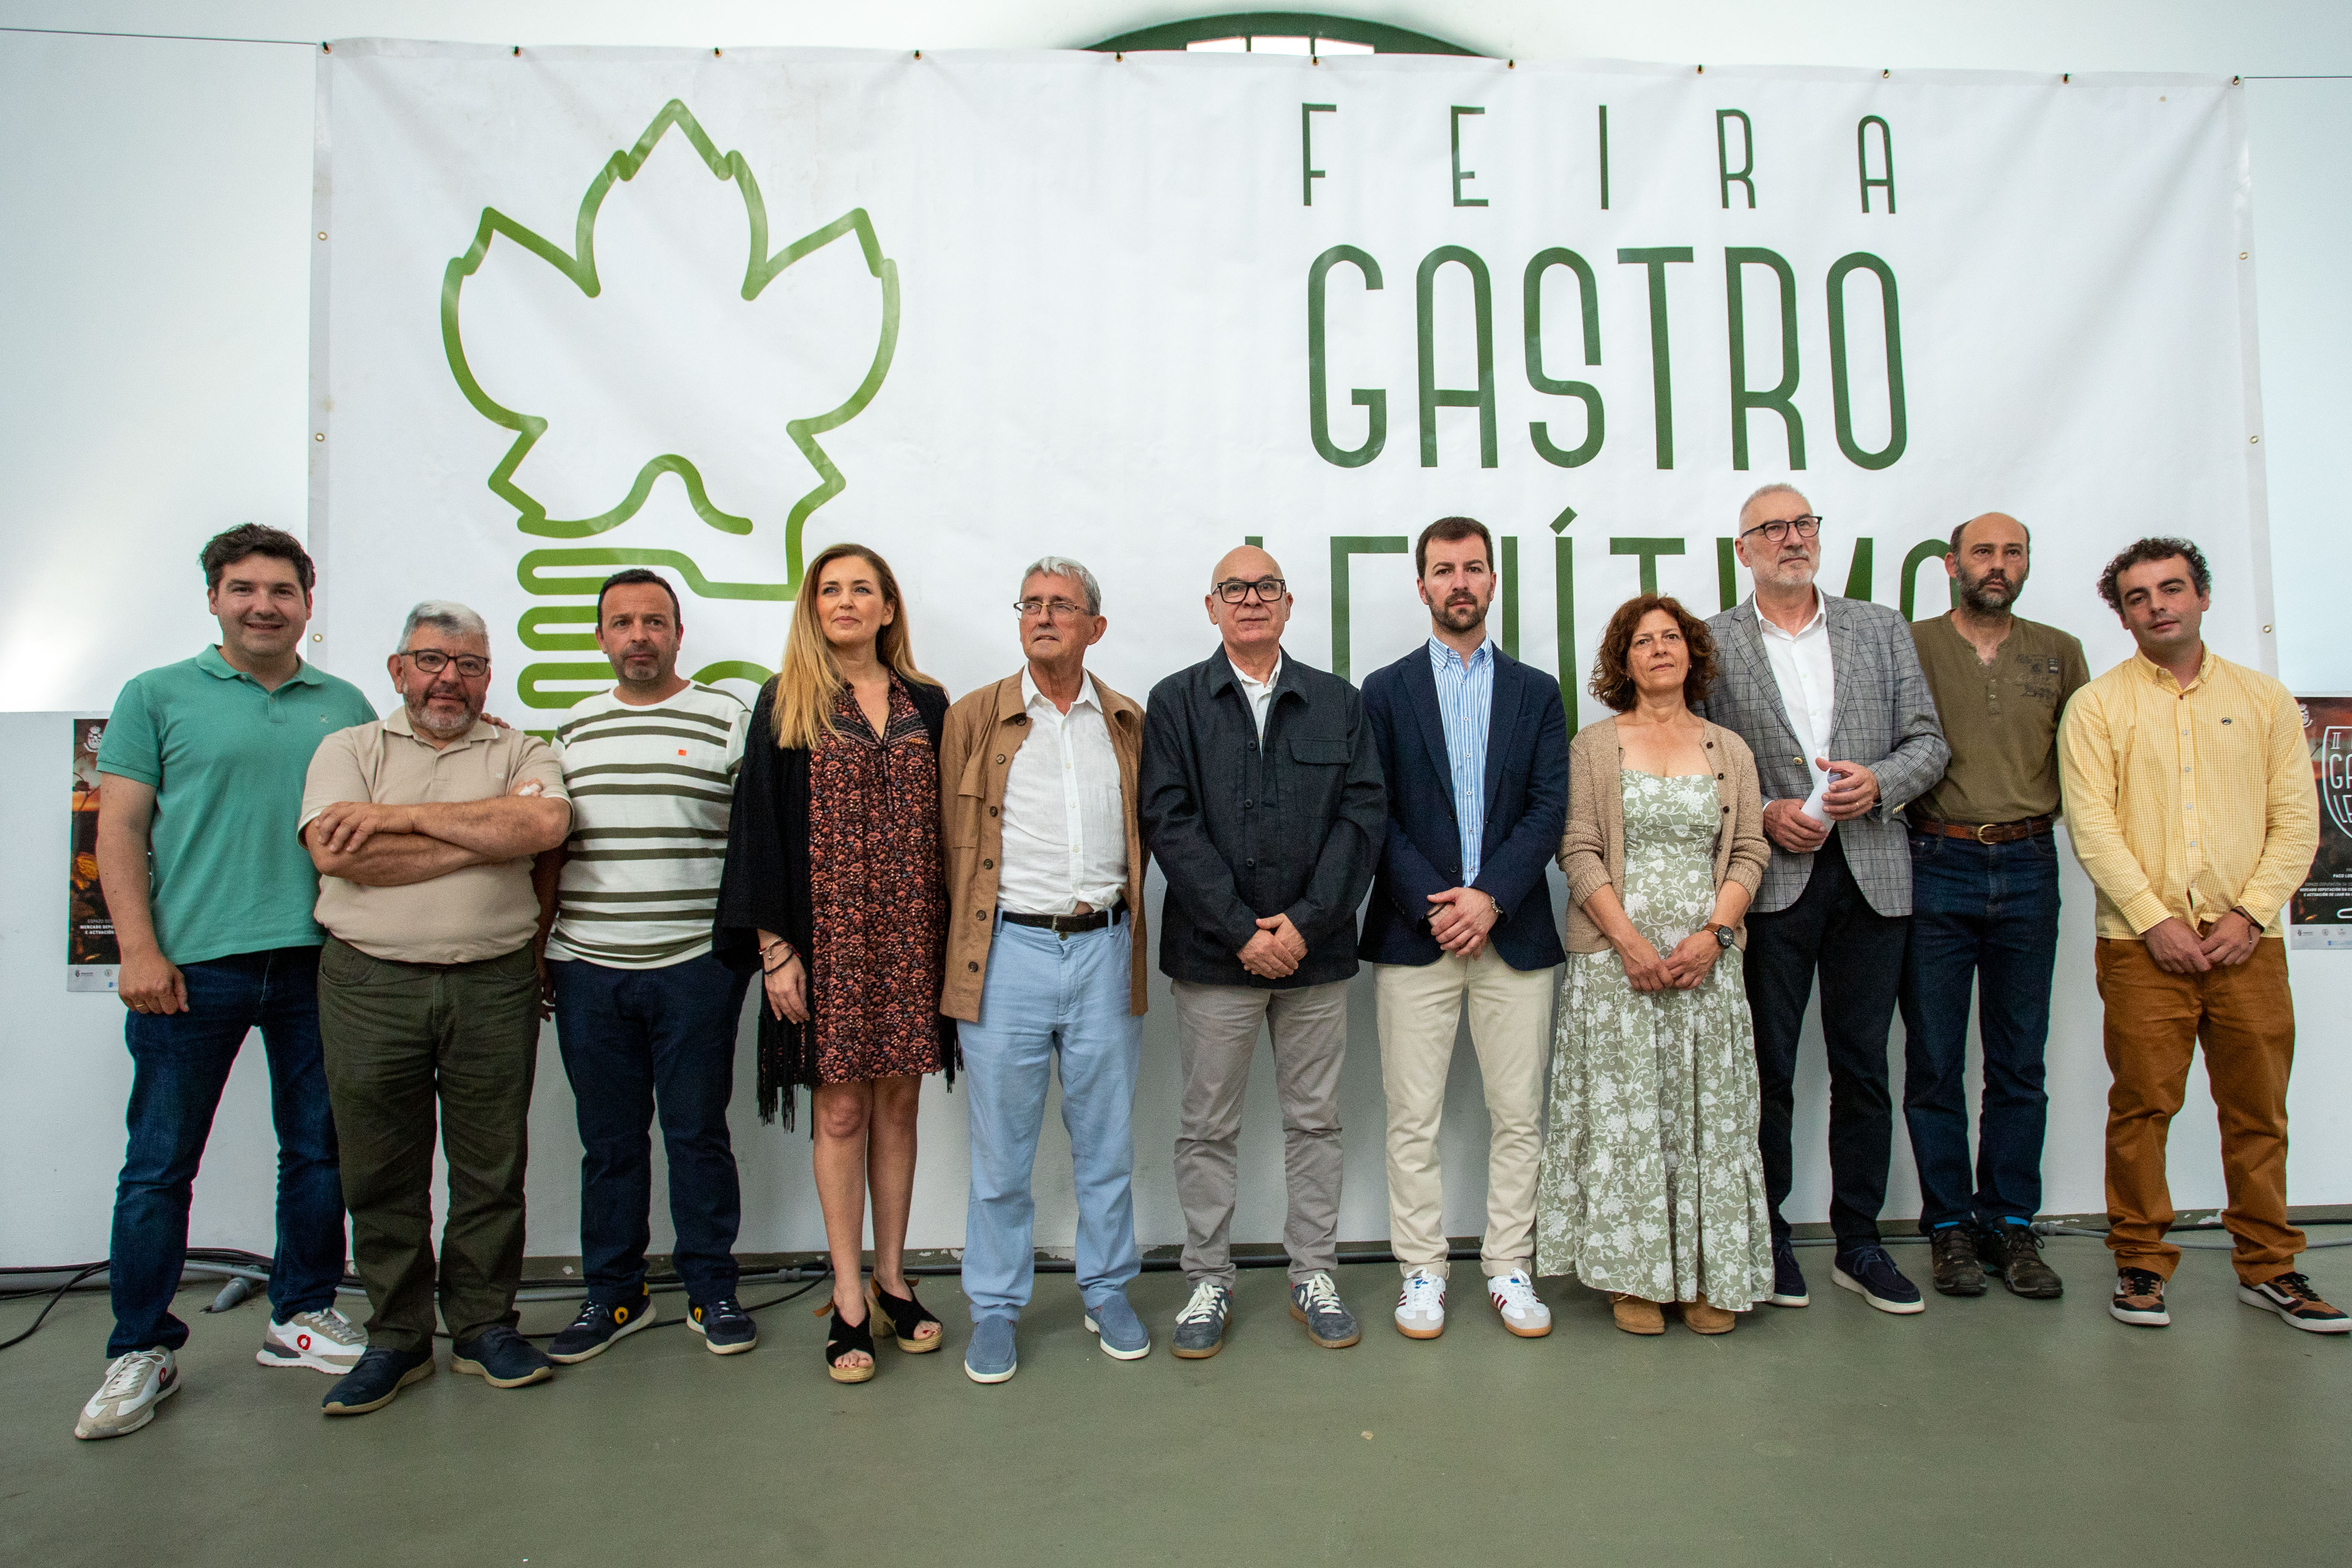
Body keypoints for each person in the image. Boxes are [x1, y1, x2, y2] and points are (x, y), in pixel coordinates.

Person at [74, 525, 378, 1442]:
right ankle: (140, 1347)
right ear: (214, 598)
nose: (263, 606)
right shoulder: (156, 695)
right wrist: (138, 950)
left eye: (282, 591)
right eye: (244, 588)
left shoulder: (346, 703)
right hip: (191, 968)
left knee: (318, 1151)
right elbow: (119, 831)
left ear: (307, 604)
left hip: (318, 961)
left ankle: (301, 1313)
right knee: (160, 1165)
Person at [2059, 538, 2340, 1333]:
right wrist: (2155, 920)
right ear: (2122, 616)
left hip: (2250, 944)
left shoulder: (2265, 701)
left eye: (2173, 589)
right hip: (2140, 946)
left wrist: (2251, 914)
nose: (2158, 606)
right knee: (2142, 1107)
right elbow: (2093, 828)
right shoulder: (2098, 707)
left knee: (2258, 1111)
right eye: (2139, 597)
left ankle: (2270, 1265)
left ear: (2203, 596)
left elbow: (2298, 822)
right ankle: (2141, 1262)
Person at [301, 602, 573, 1414]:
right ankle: (397, 1337)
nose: (449, 679)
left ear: (489, 676)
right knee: (379, 1169)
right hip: (369, 985)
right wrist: (486, 835)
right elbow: (338, 854)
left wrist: (395, 820)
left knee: (492, 1168)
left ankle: (484, 1325)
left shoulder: (523, 749)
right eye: (431, 661)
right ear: (399, 671)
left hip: (494, 983)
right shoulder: (349, 748)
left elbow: (544, 822)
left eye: (469, 665)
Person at [1695, 484, 1949, 1315]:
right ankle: (1765, 1238)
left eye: (1803, 524)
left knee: (1863, 1068)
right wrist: (1765, 811)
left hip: (1873, 876)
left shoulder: (1880, 628)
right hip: (1772, 882)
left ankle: (1860, 1243)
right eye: (1771, 529)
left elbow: (1929, 743)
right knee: (1766, 1071)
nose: (1791, 539)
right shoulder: (1712, 643)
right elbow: (1696, 760)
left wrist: (1881, 783)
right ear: (1744, 550)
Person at [714, 543, 957, 1382]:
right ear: (813, 608)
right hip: (826, 943)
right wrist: (775, 949)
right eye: (830, 590)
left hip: (913, 937)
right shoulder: (787, 700)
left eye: (862, 589)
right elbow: (756, 828)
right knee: (842, 1113)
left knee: (900, 1107)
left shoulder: (929, 702)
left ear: (888, 607)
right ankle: (848, 1296)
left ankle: (894, 1281)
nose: (846, 601)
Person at [1140, 544, 1385, 1357]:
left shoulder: (1338, 703)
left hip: (1316, 958)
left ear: (1288, 604)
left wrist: (1305, 924)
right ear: (1211, 606)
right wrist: (1242, 930)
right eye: (1234, 588)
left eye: (1266, 587)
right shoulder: (1175, 702)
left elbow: (1362, 820)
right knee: (1207, 1127)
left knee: (1315, 1123)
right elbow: (1168, 821)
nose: (1251, 599)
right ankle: (1207, 1279)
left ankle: (1313, 1272)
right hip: (1215, 960)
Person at [535, 569, 758, 1364]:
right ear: (601, 637)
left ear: (677, 634)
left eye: (654, 622)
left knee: (698, 1135)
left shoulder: (726, 719)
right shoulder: (571, 730)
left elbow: (756, 842)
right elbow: (551, 850)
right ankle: (614, 1294)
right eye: (623, 623)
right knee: (610, 1143)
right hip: (588, 969)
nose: (639, 636)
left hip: (695, 966)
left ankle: (711, 1288)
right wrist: (540, 952)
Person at [939, 556, 1151, 1384]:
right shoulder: (973, 717)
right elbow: (945, 845)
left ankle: (1109, 1290)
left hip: (1105, 949)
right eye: (1031, 603)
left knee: (1106, 1146)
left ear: (1095, 626)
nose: (1043, 616)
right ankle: (995, 1308)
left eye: (1061, 605)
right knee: (1001, 1155)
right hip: (1006, 956)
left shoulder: (1125, 720)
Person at [1537, 595, 1774, 1334]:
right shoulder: (1594, 747)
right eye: (1643, 641)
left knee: (1708, 1120)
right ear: (1624, 660)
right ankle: (1632, 1276)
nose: (1661, 649)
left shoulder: (1730, 750)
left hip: (1706, 967)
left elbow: (1750, 850)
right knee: (1626, 1120)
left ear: (1692, 653)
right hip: (1617, 970)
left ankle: (1704, 1274)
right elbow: (1577, 848)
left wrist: (1715, 936)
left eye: (1672, 637)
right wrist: (1630, 944)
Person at [1359, 517, 1568, 1342]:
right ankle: (1422, 1269)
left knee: (1519, 1115)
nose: (1459, 582)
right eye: (1443, 570)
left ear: (1492, 582)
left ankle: (1510, 1265)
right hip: (1418, 937)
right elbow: (1374, 813)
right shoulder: (1384, 691)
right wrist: (1440, 906)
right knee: (1412, 1117)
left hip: (1513, 935)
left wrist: (1490, 899)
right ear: (1422, 587)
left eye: (1473, 568)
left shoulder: (1536, 692)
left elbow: (1549, 808)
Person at [1899, 514, 2086, 1301]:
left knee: (2018, 1061)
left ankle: (2010, 1223)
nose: (1998, 565)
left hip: (2030, 862)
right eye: (1984, 552)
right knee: (1935, 1059)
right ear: (1952, 565)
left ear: (2027, 564)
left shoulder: (2059, 651)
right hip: (1935, 861)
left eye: (2013, 552)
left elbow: (2083, 761)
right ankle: (1948, 1226)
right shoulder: (1911, 644)